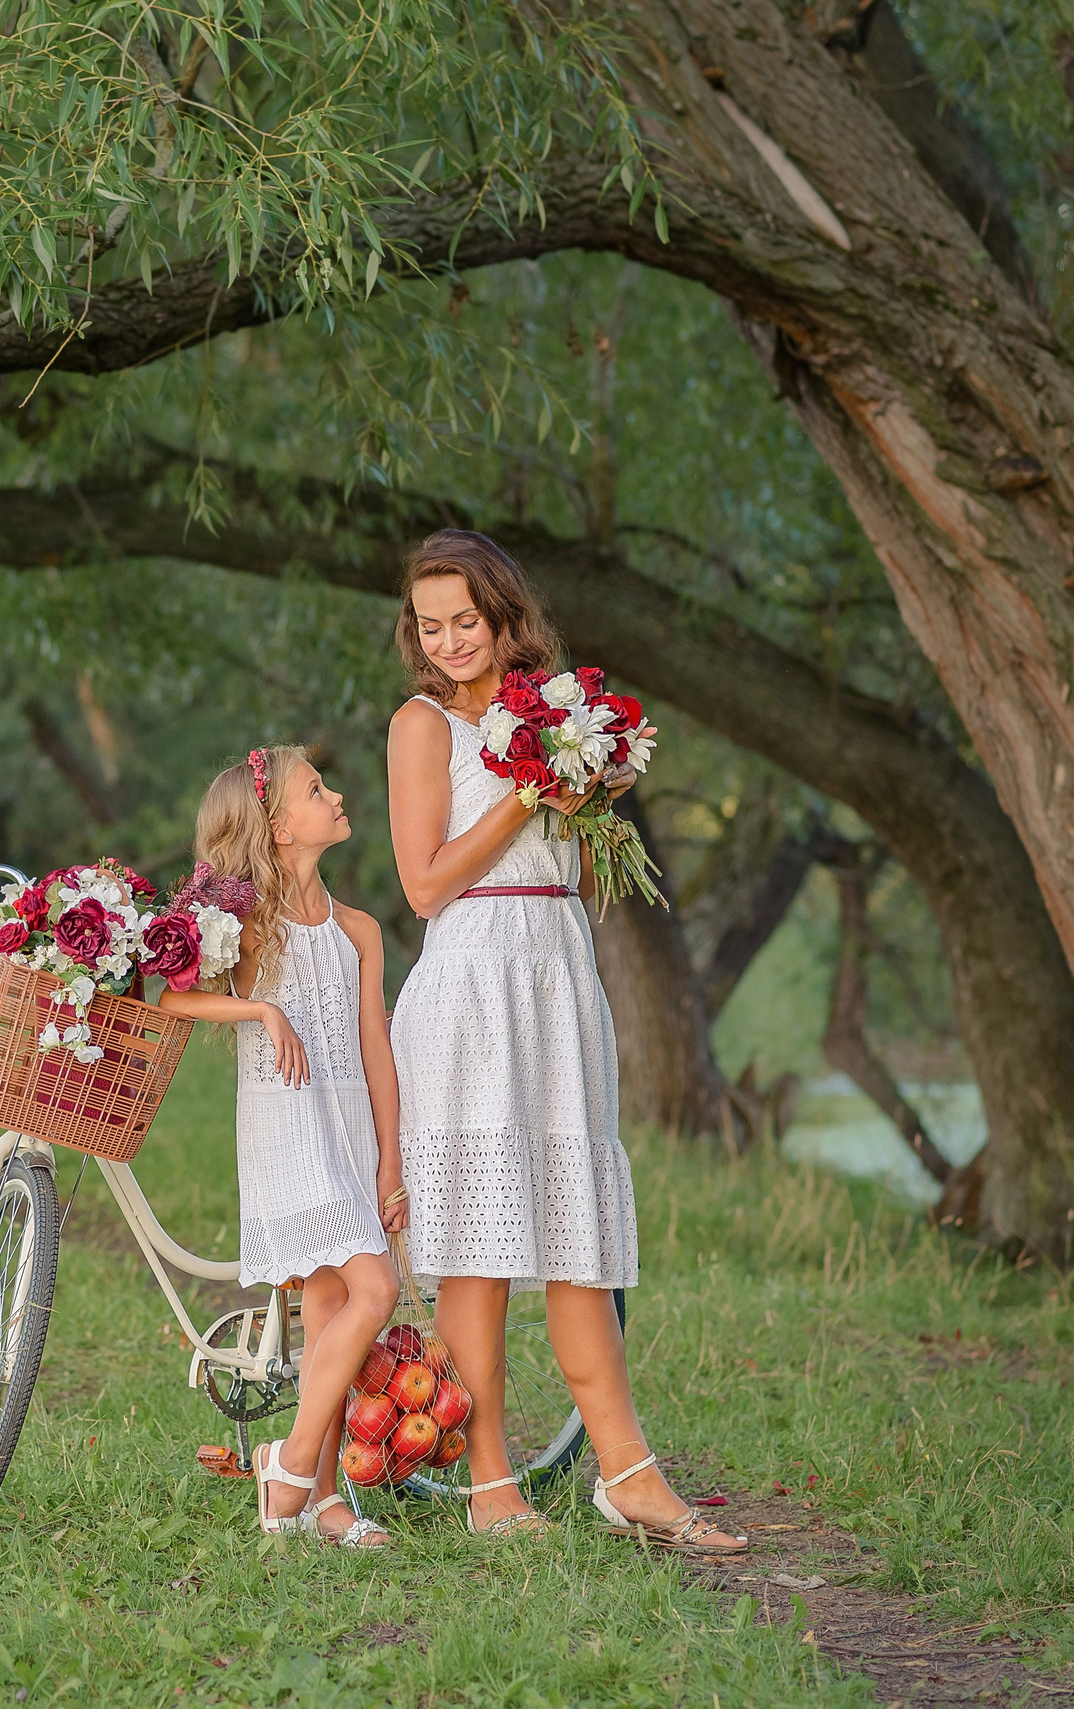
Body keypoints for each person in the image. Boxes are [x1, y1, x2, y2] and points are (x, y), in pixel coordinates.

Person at [384, 529, 746, 1553]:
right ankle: (490, 1479)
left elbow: (579, 876)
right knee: (482, 1246)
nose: (450, 639)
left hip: (556, 967)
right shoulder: (422, 727)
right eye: (430, 623)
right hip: (469, 976)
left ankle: (629, 1474)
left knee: (578, 1235)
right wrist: (526, 791)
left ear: (507, 617)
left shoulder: (556, 716)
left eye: (466, 618)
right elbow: (424, 883)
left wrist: (584, 795)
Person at [157, 746, 407, 1548]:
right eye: (315, 789)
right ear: (275, 825)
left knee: (334, 1307)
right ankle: (290, 1463)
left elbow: (376, 1048)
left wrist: (391, 1158)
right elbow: (176, 995)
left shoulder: (360, 931)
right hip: (285, 1125)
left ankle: (326, 1500)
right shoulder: (243, 930)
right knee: (376, 1291)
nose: (336, 796)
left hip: (348, 1131)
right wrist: (262, 1014)